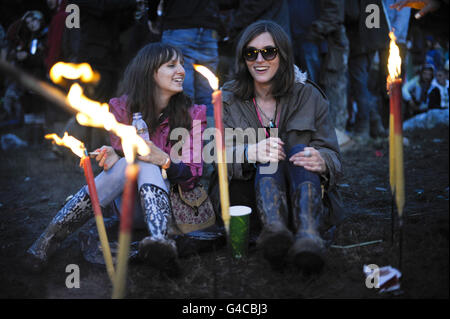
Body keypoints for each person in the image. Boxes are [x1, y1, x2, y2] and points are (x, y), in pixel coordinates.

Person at [25, 43, 207, 274]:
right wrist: (117, 154)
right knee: (137, 160)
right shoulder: (121, 109)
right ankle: (47, 241)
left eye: (181, 64)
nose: (181, 70)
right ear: (149, 73)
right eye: (171, 65)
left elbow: (192, 177)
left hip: (174, 209)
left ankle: (161, 240)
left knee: (145, 161)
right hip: (129, 208)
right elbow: (128, 158)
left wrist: (164, 160)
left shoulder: (194, 114)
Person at [209, 21, 344, 274]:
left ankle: (308, 236)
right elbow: (212, 156)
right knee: (268, 158)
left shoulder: (309, 96)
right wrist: (250, 153)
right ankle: (275, 233)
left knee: (298, 152)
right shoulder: (227, 99)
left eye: (268, 52)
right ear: (243, 58)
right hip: (249, 201)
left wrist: (322, 160)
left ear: (282, 54)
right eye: (251, 53)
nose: (259, 60)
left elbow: (334, 155)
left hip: (302, 195)